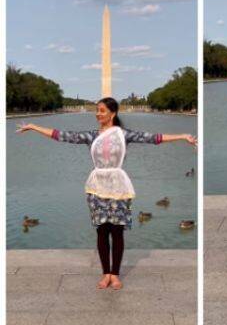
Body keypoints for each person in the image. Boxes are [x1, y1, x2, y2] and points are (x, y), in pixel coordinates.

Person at [16, 97, 197, 290]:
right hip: (97, 187)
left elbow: (153, 138)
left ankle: (115, 274)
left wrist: (183, 136)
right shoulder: (91, 136)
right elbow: (62, 135)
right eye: (97, 110)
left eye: (102, 110)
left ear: (113, 113)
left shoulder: (123, 134)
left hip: (118, 187)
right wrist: (35, 127)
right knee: (102, 231)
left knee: (117, 231)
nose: (98, 114)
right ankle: (105, 273)